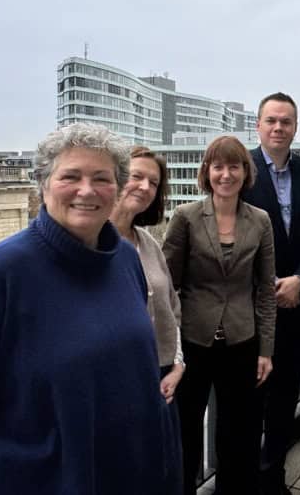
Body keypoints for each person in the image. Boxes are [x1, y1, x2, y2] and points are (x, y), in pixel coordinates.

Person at [0, 123, 179, 494]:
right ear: (42, 184)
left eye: (101, 178)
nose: (86, 190)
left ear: (116, 189)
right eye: (71, 176)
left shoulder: (123, 259)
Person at [163, 135, 277, 495]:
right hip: (194, 343)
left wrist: (266, 350)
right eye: (218, 166)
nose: (226, 174)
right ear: (206, 172)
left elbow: (266, 290)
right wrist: (173, 349)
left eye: (234, 166)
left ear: (246, 172)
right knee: (186, 432)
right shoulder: (186, 218)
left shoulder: (260, 221)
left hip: (242, 344)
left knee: (238, 435)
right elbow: (168, 287)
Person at [241, 92, 300, 495]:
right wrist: (268, 283)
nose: (279, 128)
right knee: (247, 401)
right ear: (258, 125)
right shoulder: (242, 170)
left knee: (283, 400)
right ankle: (242, 479)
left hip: (295, 303)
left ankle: (274, 479)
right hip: (252, 307)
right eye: (271, 120)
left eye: (286, 121)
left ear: (296, 127)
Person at [109, 146, 185, 485]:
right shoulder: (88, 245)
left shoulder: (148, 243)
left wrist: (179, 365)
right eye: (135, 176)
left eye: (153, 182)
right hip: (116, 389)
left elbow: (172, 308)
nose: (143, 186)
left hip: (161, 380)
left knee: (164, 472)